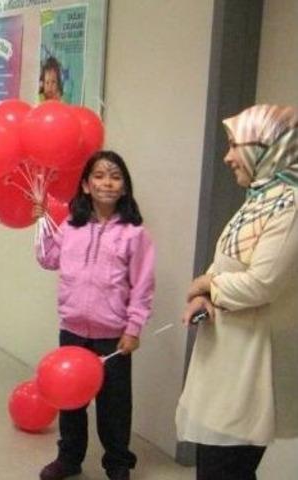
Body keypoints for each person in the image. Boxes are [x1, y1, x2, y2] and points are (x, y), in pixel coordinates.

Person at [176, 105, 298, 480]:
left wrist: (207, 284)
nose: (228, 157)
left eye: (235, 146)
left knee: (226, 469)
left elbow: (263, 283)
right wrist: (204, 294)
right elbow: (229, 260)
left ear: (268, 147)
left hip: (249, 362)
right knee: (215, 466)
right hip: (226, 354)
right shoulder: (261, 198)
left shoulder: (290, 205)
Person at [35, 151, 155, 480]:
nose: (107, 182)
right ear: (86, 185)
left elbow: (143, 286)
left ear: (125, 186)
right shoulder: (71, 226)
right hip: (73, 329)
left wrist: (133, 328)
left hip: (113, 335)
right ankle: (69, 458)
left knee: (114, 407)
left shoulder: (134, 234)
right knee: (70, 400)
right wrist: (42, 223)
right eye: (99, 176)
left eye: (115, 176)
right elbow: (48, 260)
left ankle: (117, 464)